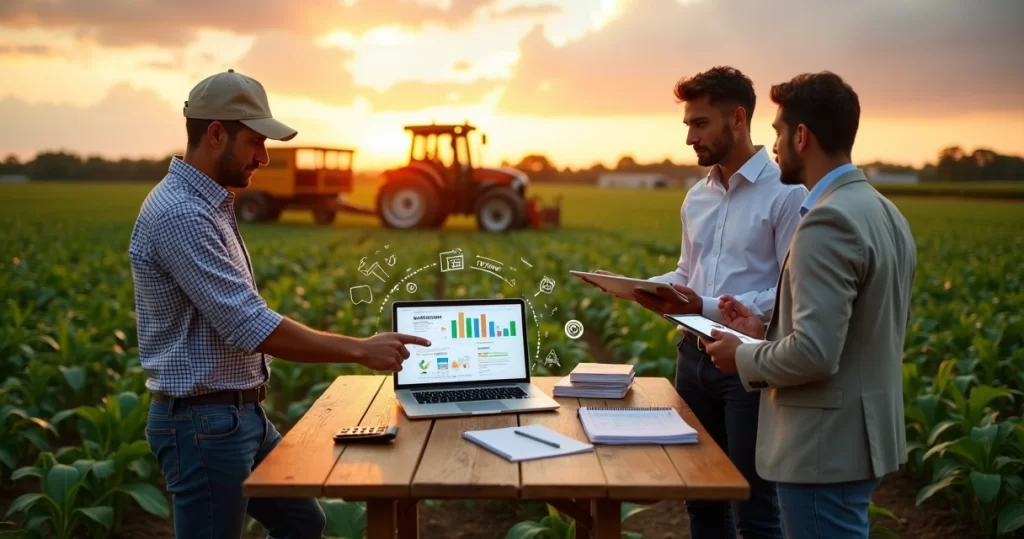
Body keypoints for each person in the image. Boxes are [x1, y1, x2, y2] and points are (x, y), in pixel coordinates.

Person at [128, 69, 431, 539]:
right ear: (215, 134)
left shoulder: (210, 205)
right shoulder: (183, 214)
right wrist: (359, 348)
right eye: (255, 142)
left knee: (303, 522)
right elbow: (250, 325)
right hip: (202, 424)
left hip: (236, 415)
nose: (265, 157)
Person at [592, 66, 805, 539]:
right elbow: (687, 274)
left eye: (700, 123)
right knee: (700, 498)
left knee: (754, 506)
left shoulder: (786, 194)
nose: (689, 136)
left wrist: (702, 304)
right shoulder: (696, 197)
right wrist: (637, 285)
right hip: (691, 359)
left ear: (738, 119)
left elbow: (792, 292)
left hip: (746, 365)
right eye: (687, 124)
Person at [702, 71, 917, 538]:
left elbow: (816, 354)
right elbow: (863, 327)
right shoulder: (884, 211)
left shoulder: (827, 222)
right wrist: (762, 330)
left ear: (802, 136)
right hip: (862, 438)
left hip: (823, 448)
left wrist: (740, 356)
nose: (774, 144)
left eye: (778, 132)